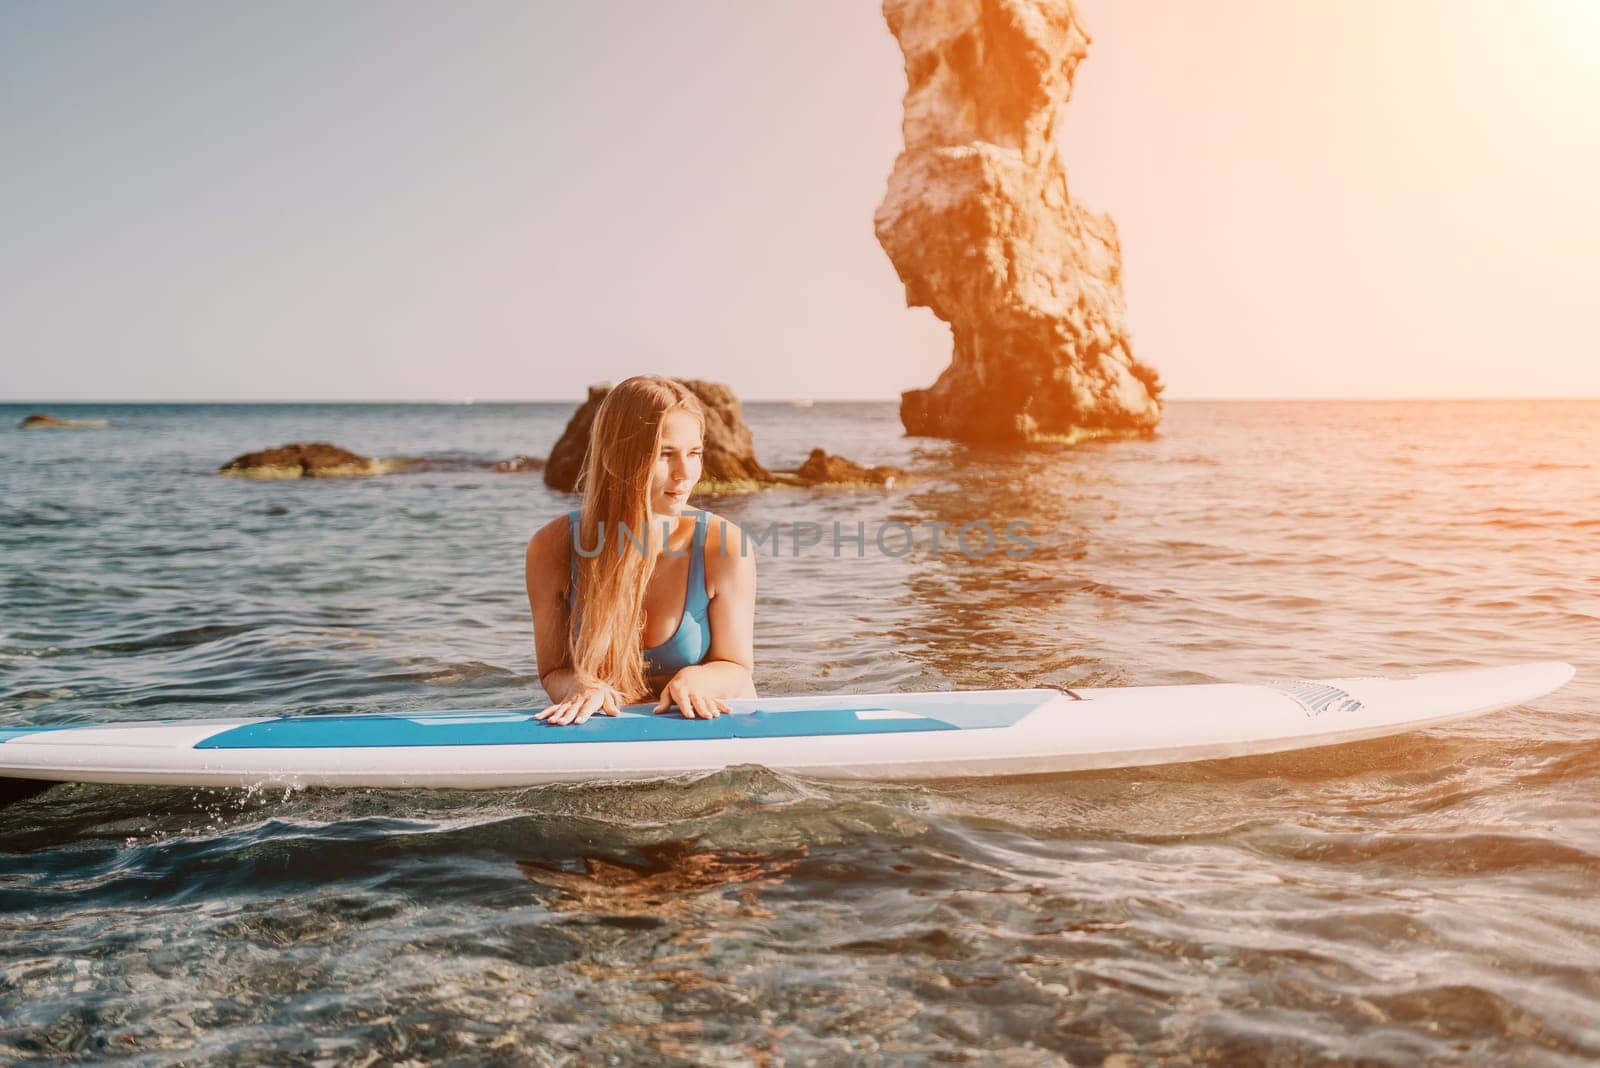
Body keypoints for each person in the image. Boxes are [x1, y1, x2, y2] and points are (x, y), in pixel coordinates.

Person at [524, 376, 757, 725]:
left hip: (710, 719)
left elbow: (736, 666)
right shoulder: (552, 548)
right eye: (665, 454)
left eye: (694, 453)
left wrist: (698, 678)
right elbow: (553, 670)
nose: (685, 474)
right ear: (619, 457)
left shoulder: (722, 545)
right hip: (618, 723)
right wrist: (579, 686)